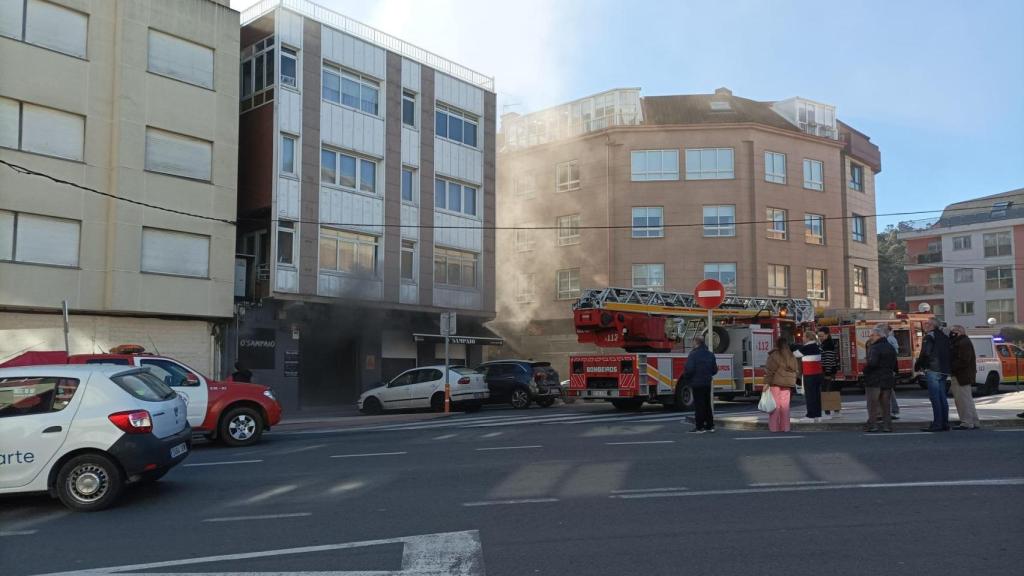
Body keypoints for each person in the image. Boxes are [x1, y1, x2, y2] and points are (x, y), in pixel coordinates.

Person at [915, 317, 951, 432]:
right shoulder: (945, 337)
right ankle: (945, 423)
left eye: (927, 324)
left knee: (935, 398)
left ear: (931, 325)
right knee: (942, 398)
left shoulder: (929, 336)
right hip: (944, 370)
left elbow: (926, 352)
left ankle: (937, 424)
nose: (925, 325)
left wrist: (919, 365)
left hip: (933, 370)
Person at [681, 334, 719, 433]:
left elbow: (689, 369)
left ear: (696, 342)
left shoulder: (693, 354)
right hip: (707, 382)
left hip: (697, 382)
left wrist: (687, 377)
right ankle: (710, 426)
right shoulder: (710, 354)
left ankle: (699, 427)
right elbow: (714, 370)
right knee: (707, 404)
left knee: (699, 405)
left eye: (693, 342)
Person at [863, 327, 897, 432]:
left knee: (873, 404)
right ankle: (887, 426)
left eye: (872, 335)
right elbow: (895, 365)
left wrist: (865, 370)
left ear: (879, 336)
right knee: (886, 404)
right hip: (887, 379)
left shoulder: (874, 348)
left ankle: (873, 425)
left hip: (874, 380)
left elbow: (872, 363)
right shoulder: (890, 347)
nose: (870, 337)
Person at [949, 325, 980, 430]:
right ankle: (974, 421)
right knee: (967, 399)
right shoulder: (963, 341)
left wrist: (951, 367)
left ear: (960, 331)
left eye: (953, 331)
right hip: (963, 375)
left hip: (961, 375)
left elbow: (963, 360)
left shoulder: (963, 343)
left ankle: (966, 422)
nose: (951, 333)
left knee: (962, 400)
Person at [764, 337, 798, 432]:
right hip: (788, 384)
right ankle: (785, 427)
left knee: (775, 406)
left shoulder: (774, 355)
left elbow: (770, 371)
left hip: (775, 382)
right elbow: (796, 369)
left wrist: (766, 383)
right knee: (785, 406)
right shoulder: (791, 355)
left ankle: (774, 428)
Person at [875, 323, 901, 420]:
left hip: (883, 371)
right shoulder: (890, 340)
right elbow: (895, 354)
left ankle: (884, 413)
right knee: (888, 392)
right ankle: (890, 411)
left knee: (885, 393)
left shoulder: (885, 341)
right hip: (888, 371)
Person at [797, 333, 823, 422]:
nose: (802, 338)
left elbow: (795, 354)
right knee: (817, 395)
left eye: (803, 337)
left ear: (808, 338)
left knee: (810, 395)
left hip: (810, 374)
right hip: (818, 374)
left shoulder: (807, 347)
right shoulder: (817, 346)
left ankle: (810, 416)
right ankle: (818, 415)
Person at [818, 327, 841, 418]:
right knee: (830, 391)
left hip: (827, 371)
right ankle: (834, 410)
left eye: (822, 336)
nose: (820, 337)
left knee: (826, 392)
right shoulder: (826, 343)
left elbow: (828, 360)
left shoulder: (828, 345)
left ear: (827, 335)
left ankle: (828, 411)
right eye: (819, 336)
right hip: (829, 371)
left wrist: (827, 373)